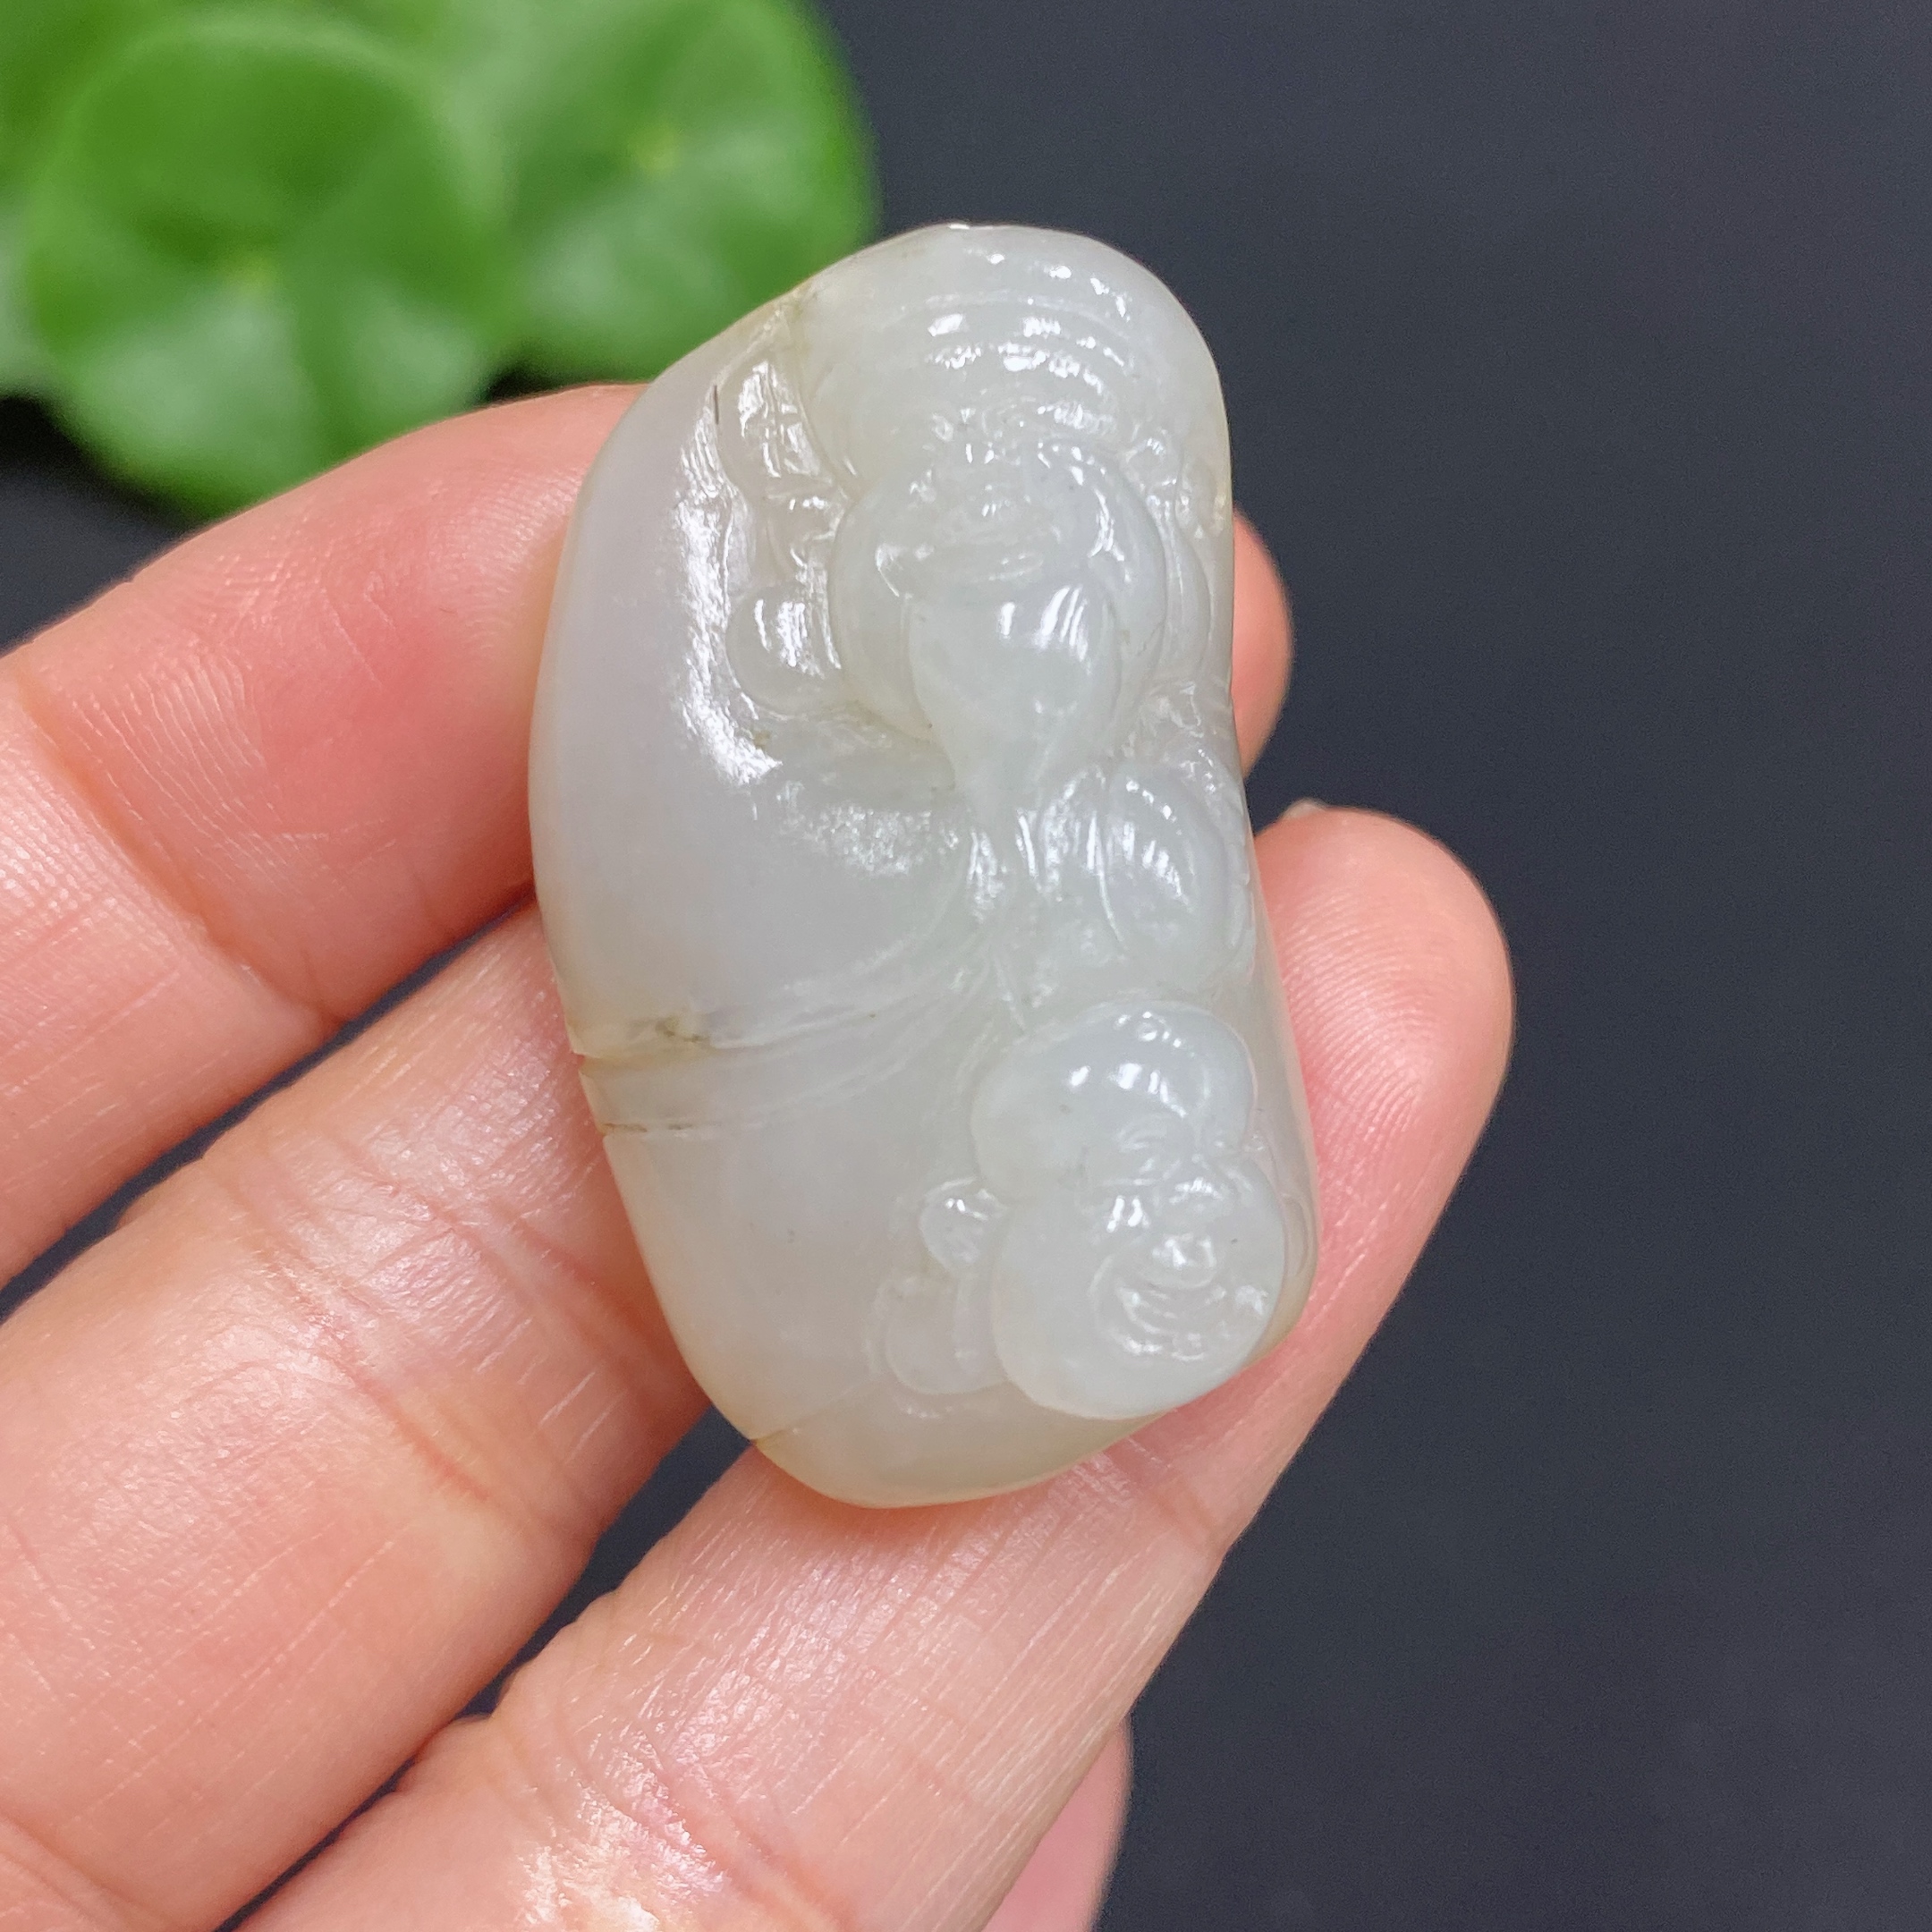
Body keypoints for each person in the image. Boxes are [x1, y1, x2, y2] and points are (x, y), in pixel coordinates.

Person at [0, 386, 1511, 1931]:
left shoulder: (1104, 847)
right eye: (963, 597)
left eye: (1037, 598)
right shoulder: (794, 765)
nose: (1004, 646)